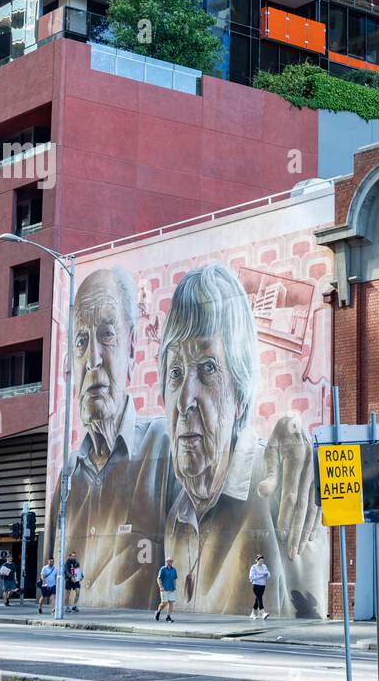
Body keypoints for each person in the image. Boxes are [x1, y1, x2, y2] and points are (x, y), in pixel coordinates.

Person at [159, 263, 326, 617]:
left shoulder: (279, 486)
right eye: (175, 372)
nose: (185, 399)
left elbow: (311, 624)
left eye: (207, 368)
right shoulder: (178, 512)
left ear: (240, 394)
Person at [61, 268, 176, 610]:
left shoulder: (166, 445)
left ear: (132, 350)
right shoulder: (69, 471)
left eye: (106, 335)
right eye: (81, 342)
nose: (92, 359)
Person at [156, 557, 177, 623]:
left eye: (171, 561)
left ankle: (168, 617)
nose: (170, 562)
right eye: (169, 561)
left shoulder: (174, 570)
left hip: (171, 589)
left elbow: (174, 579)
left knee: (171, 603)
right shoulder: (163, 569)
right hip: (164, 589)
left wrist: (174, 586)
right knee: (164, 603)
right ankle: (158, 611)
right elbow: (159, 579)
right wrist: (161, 587)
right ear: (166, 562)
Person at [248, 555, 269, 620]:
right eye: (260, 561)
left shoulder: (264, 566)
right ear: (257, 560)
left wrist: (267, 574)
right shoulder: (253, 567)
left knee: (257, 600)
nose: (261, 562)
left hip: (263, 585)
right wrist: (260, 576)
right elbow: (251, 577)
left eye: (262, 561)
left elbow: (267, 574)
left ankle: (252, 613)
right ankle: (263, 613)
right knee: (259, 598)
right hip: (256, 585)